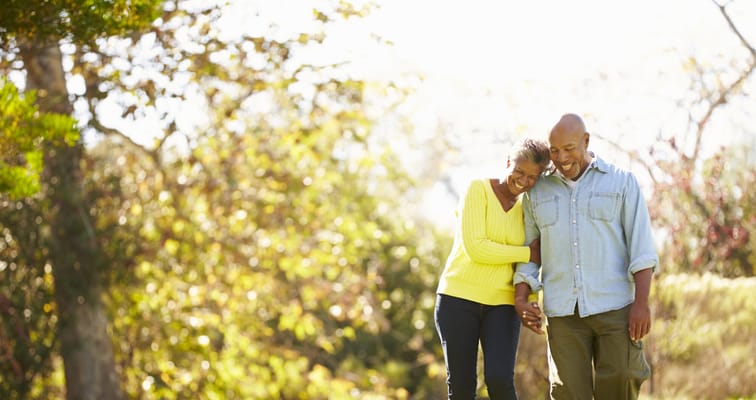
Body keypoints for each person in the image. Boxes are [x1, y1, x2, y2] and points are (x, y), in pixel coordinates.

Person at [513, 113, 659, 400]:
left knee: (621, 381)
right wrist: (522, 297)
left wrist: (641, 303)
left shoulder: (622, 182)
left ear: (586, 141)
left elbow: (641, 248)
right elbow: (530, 251)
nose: (562, 157)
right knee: (568, 394)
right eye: (554, 151)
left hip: (615, 307)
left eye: (569, 148)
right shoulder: (537, 192)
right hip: (563, 313)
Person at [434, 138, 551, 400]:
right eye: (519, 171)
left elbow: (531, 261)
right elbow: (477, 248)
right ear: (508, 162)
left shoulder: (528, 209)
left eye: (532, 177)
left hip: (503, 304)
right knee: (462, 387)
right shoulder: (478, 189)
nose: (523, 180)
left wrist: (530, 298)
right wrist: (526, 252)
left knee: (500, 380)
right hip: (458, 299)